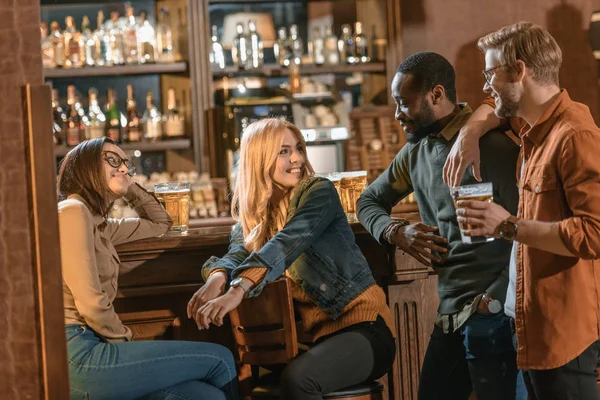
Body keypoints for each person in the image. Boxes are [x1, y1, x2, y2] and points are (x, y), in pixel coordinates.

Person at [188, 118, 396, 400]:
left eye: (298, 148)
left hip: (365, 330)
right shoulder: (254, 220)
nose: (297, 158)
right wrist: (217, 278)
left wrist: (238, 289)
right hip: (315, 341)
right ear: (260, 158)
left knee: (299, 380)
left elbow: (287, 242)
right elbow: (237, 252)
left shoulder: (318, 192)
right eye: (283, 151)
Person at [357, 51, 526, 400]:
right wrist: (396, 232)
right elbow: (367, 202)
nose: (397, 114)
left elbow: (529, 227)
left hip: (495, 313)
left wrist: (492, 301)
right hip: (449, 313)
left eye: (404, 102)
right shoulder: (415, 151)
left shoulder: (490, 142)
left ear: (436, 94)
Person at [447, 22, 600, 400]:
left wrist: (509, 226)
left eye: (490, 73)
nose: (484, 85)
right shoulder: (535, 129)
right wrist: (469, 133)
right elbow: (493, 109)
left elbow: (594, 234)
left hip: (564, 333)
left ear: (519, 70)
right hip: (532, 327)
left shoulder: (574, 135)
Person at [57, 137, 239, 400]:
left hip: (91, 344)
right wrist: (125, 343)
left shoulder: (100, 225)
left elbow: (160, 221)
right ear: (85, 166)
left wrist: (126, 184)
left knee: (204, 396)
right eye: (111, 159)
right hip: (76, 354)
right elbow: (90, 303)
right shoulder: (73, 212)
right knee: (220, 359)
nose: (123, 167)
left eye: (126, 163)